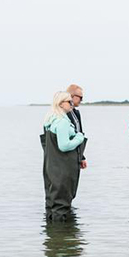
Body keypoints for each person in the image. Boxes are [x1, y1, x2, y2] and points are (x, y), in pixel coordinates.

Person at [42, 91, 87, 219]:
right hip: (63, 167)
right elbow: (64, 145)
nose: (72, 105)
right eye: (69, 102)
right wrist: (79, 137)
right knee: (62, 202)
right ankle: (63, 235)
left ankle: (54, 235)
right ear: (61, 104)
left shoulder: (50, 120)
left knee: (52, 201)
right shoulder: (62, 122)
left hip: (51, 166)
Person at [66, 84, 87, 197]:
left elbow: (80, 132)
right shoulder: (63, 114)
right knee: (67, 188)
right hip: (67, 155)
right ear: (71, 96)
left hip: (76, 155)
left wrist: (82, 157)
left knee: (73, 188)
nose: (81, 100)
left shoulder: (76, 113)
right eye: (80, 97)